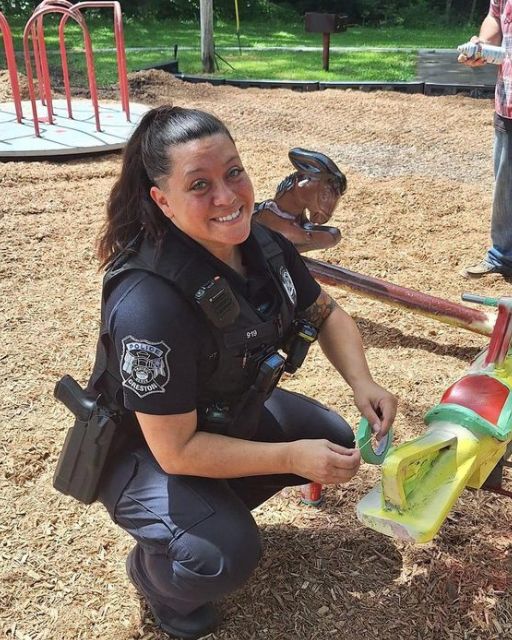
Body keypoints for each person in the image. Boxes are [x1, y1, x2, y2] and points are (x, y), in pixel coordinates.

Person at [90, 105, 396, 639]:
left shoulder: (260, 243)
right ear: (162, 201)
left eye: (234, 172)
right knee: (223, 555)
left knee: (333, 436)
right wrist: (290, 456)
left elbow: (325, 313)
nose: (227, 197)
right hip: (142, 451)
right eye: (200, 185)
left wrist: (362, 382)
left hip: (223, 411)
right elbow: (175, 451)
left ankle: (205, 513)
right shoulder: (149, 301)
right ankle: (156, 574)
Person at [458, 0, 512, 278]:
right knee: (505, 185)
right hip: (508, 100)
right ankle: (503, 256)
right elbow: (495, 16)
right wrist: (482, 46)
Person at [253, 147, 345, 253]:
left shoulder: (297, 218)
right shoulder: (275, 219)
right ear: (304, 184)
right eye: (324, 196)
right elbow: (329, 237)